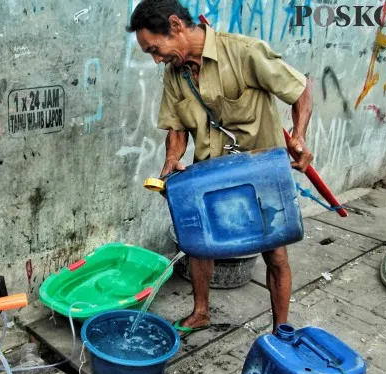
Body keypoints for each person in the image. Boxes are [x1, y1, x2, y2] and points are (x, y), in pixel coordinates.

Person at [127, 0, 314, 335]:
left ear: (175, 25)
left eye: (155, 49)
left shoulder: (244, 52)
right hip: (209, 174)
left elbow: (300, 90)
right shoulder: (176, 73)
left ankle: (281, 330)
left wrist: (299, 137)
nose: (156, 59)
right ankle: (201, 313)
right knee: (199, 247)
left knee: (275, 254)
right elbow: (177, 128)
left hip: (259, 176)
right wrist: (171, 160)